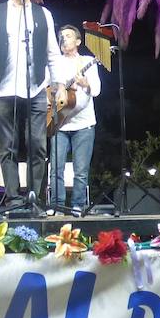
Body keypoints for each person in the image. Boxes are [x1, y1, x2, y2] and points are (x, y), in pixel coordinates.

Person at [0, 0, 63, 210]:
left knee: (37, 145)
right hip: (3, 88)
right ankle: (13, 199)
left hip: (35, 89)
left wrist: (60, 85)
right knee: (8, 147)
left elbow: (53, 53)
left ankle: (34, 198)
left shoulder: (43, 14)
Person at [48, 25, 101, 213]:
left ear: (78, 42)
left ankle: (78, 204)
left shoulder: (88, 61)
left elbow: (96, 90)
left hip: (84, 124)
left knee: (80, 170)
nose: (63, 39)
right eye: (61, 36)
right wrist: (54, 93)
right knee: (56, 168)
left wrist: (85, 84)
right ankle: (57, 205)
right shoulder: (54, 63)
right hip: (59, 123)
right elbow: (48, 88)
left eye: (68, 36)